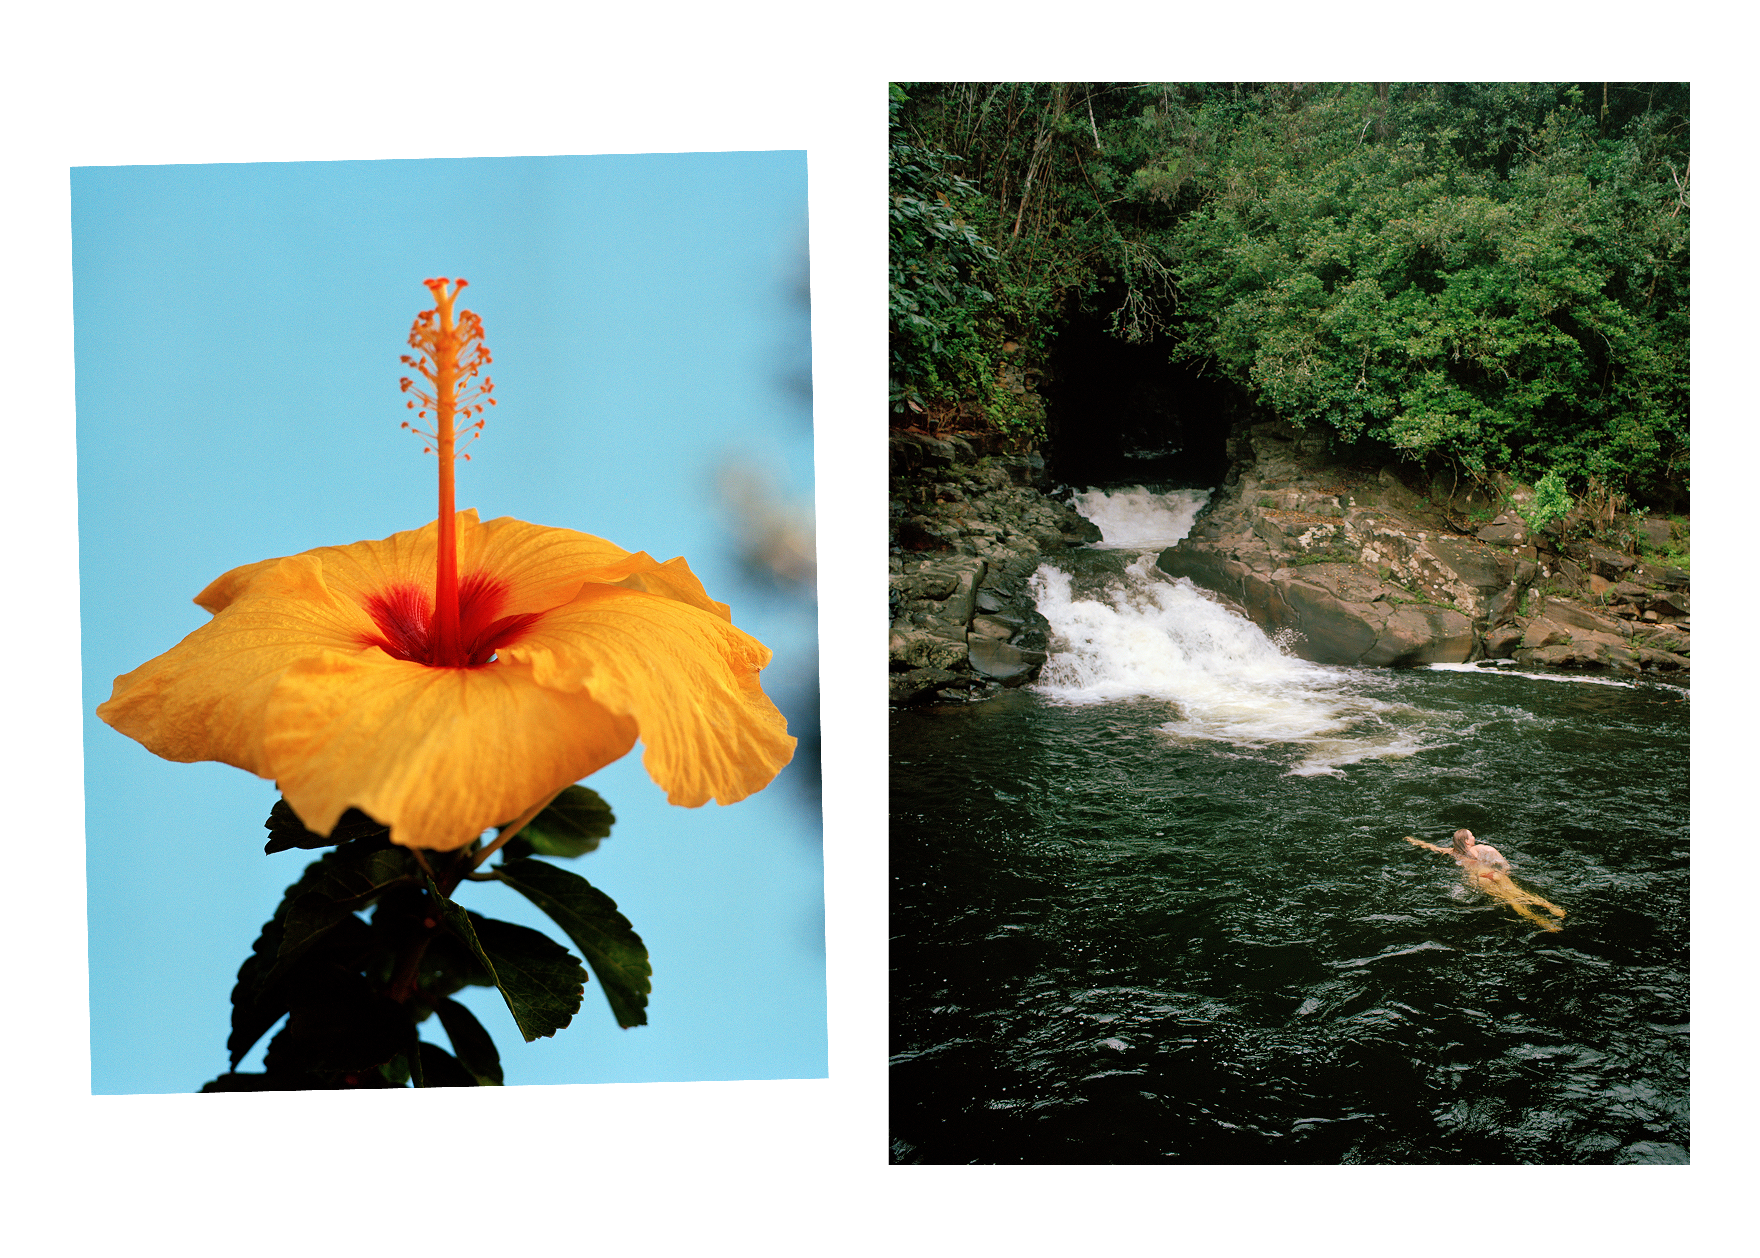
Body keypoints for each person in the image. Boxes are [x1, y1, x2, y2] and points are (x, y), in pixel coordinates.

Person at [1403, 830, 1565, 931]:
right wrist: (1504, 871)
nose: (1474, 837)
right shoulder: (1480, 848)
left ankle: (1542, 922)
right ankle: (1553, 909)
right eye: (1471, 835)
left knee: (1511, 900)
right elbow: (1501, 861)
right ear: (1467, 841)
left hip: (1480, 878)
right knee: (1518, 892)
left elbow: (1432, 847)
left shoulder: (1454, 852)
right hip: (1491, 873)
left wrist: (1414, 841)